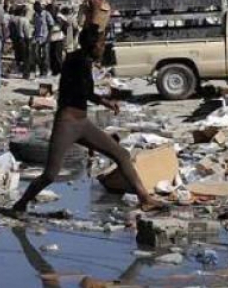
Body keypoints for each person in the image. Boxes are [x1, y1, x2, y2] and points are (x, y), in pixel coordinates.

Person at [12, 24, 163, 214]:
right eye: (100, 44)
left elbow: (86, 91)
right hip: (67, 124)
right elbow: (84, 91)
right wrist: (105, 101)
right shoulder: (80, 62)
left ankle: (145, 199)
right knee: (50, 174)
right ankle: (21, 203)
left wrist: (106, 103)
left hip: (82, 122)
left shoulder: (78, 58)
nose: (103, 47)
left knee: (122, 155)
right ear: (91, 46)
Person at [47, 2, 66, 75]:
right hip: (51, 38)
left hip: (58, 38)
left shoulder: (59, 17)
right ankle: (54, 70)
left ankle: (59, 70)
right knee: (52, 55)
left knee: (57, 55)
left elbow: (63, 26)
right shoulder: (50, 16)